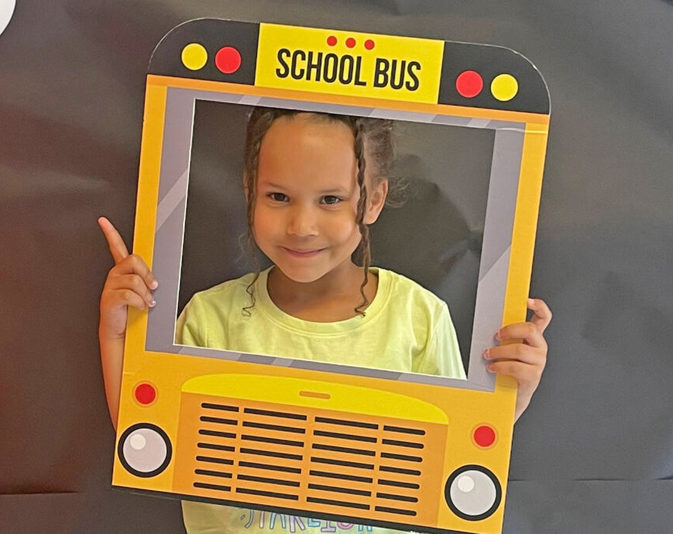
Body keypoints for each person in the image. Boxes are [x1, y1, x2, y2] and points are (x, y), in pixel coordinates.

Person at [99, 108, 552, 534]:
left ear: (373, 201)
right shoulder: (210, 319)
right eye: (278, 196)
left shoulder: (418, 318)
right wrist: (116, 332)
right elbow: (148, 440)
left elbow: (453, 457)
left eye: (331, 199)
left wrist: (513, 395)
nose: (302, 225)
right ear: (249, 190)